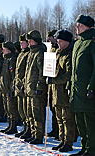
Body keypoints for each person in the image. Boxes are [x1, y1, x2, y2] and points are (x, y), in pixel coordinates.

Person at [67, 15, 95, 156]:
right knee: (80, 123)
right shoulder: (78, 43)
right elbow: (73, 68)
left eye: (80, 25)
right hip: (77, 90)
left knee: (90, 123)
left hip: (87, 92)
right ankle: (84, 149)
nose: (77, 27)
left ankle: (91, 150)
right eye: (76, 24)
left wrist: (92, 87)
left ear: (88, 27)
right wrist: (69, 85)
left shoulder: (92, 42)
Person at [47, 30, 75, 152]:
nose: (58, 43)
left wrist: (54, 80)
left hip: (64, 92)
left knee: (67, 119)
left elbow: (69, 75)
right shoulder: (59, 53)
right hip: (56, 93)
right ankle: (62, 140)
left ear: (67, 42)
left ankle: (68, 142)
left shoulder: (69, 55)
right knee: (59, 118)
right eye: (57, 41)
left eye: (60, 41)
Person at [21, 30, 47, 144]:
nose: (29, 43)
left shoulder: (40, 53)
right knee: (30, 114)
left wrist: (39, 87)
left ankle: (39, 135)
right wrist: (24, 85)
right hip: (29, 89)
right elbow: (27, 73)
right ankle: (33, 133)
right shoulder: (31, 53)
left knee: (38, 115)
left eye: (30, 41)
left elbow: (42, 73)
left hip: (36, 90)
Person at [0, 41, 20, 134]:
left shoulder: (12, 60)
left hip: (9, 88)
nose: (3, 51)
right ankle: (9, 125)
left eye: (5, 49)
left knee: (12, 109)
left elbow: (13, 76)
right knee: (7, 108)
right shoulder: (5, 59)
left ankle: (13, 126)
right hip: (4, 88)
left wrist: (12, 87)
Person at [14, 33, 30, 137]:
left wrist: (23, 83)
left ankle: (29, 130)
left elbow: (26, 72)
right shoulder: (21, 54)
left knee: (26, 110)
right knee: (21, 109)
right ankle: (25, 128)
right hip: (19, 85)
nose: (21, 44)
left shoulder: (28, 54)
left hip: (25, 86)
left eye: (22, 42)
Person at [47, 30, 59, 139]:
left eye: (51, 37)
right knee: (53, 108)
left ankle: (60, 131)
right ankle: (55, 129)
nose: (49, 39)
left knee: (59, 111)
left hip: (58, 83)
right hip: (51, 83)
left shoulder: (60, 49)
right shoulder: (51, 49)